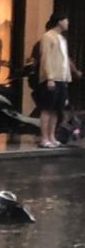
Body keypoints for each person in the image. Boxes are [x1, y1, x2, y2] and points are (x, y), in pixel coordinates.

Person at [38, 12, 72, 148]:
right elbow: (45, 58)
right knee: (47, 108)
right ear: (59, 21)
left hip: (62, 78)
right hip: (51, 78)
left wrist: (67, 77)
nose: (68, 23)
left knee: (57, 109)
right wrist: (50, 77)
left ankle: (52, 136)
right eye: (66, 20)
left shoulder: (62, 39)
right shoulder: (48, 37)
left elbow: (64, 59)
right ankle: (44, 138)